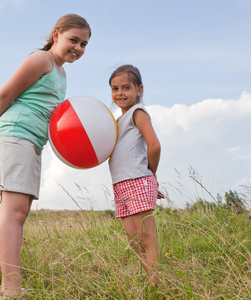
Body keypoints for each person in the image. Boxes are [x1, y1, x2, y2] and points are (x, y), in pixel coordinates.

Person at [0, 14, 91, 298]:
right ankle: (10, 290)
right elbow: (4, 95)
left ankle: (11, 285)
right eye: (73, 40)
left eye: (84, 44)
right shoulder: (41, 61)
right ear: (56, 34)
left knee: (18, 213)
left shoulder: (62, 74)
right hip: (14, 135)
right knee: (13, 213)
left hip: (31, 143)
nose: (78, 47)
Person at [108, 64, 163, 285]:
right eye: (114, 88)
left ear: (139, 89)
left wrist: (151, 174)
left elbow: (154, 145)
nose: (120, 93)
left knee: (147, 239)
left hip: (138, 181)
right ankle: (149, 282)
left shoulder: (137, 113)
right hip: (120, 184)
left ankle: (155, 285)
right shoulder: (117, 120)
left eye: (126, 87)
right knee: (135, 241)